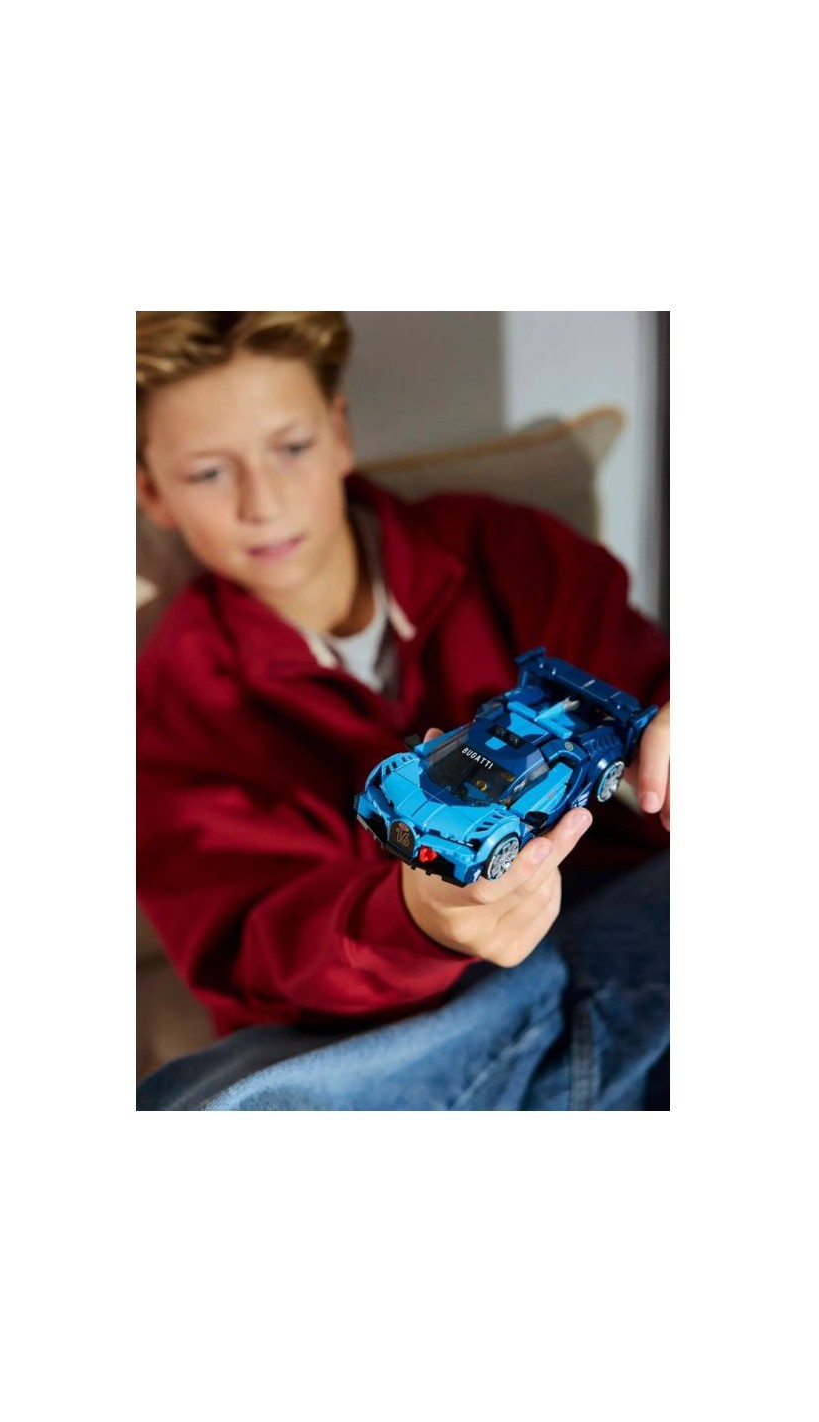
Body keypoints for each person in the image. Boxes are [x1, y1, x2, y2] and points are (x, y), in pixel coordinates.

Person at [136, 311, 670, 1110]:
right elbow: (255, 948)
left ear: (339, 433)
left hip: (617, 924)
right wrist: (416, 919)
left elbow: (646, 687)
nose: (263, 502)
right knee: (219, 1098)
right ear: (151, 491)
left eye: (291, 447)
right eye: (210, 472)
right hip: (406, 1022)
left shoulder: (504, 548)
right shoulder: (172, 701)